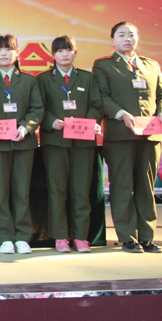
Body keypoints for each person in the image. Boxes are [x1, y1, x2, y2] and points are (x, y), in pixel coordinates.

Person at [93, 22, 162, 253]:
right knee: (122, 186)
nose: (128, 38)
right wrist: (121, 113)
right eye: (122, 35)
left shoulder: (151, 65)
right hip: (120, 135)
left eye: (132, 34)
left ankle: (147, 236)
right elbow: (101, 97)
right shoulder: (104, 65)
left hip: (150, 135)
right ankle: (127, 236)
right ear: (112, 40)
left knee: (146, 187)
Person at [0, 34, 43, 254]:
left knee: (21, 191)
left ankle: (23, 236)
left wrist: (25, 128)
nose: (4, 53)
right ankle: (4, 236)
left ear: (17, 53)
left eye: (8, 49)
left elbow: (37, 109)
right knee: (0, 192)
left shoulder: (29, 80)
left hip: (23, 144)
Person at [37, 36, 103, 253]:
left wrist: (91, 122)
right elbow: (38, 107)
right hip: (55, 142)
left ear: (75, 53)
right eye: (59, 51)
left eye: (68, 50)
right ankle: (60, 237)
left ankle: (81, 237)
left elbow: (97, 105)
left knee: (81, 190)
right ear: (52, 55)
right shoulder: (43, 79)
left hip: (83, 142)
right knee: (57, 190)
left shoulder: (87, 78)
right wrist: (50, 121)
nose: (64, 54)